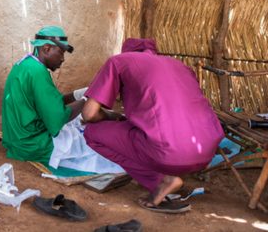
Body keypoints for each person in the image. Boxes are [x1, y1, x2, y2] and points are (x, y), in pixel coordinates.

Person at [81, 38, 224, 214]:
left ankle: (160, 181)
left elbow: (89, 114)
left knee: (92, 132)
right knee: (144, 130)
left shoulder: (119, 61)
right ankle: (167, 175)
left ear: (127, 52)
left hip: (170, 154)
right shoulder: (180, 65)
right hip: (206, 151)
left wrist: (111, 116)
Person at [1, 26, 123, 174]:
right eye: (60, 52)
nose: (63, 59)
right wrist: (87, 100)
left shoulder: (26, 64)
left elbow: (52, 102)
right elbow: (57, 119)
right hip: (31, 144)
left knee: (79, 123)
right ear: (46, 48)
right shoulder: (38, 72)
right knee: (95, 149)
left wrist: (79, 94)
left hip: (15, 137)